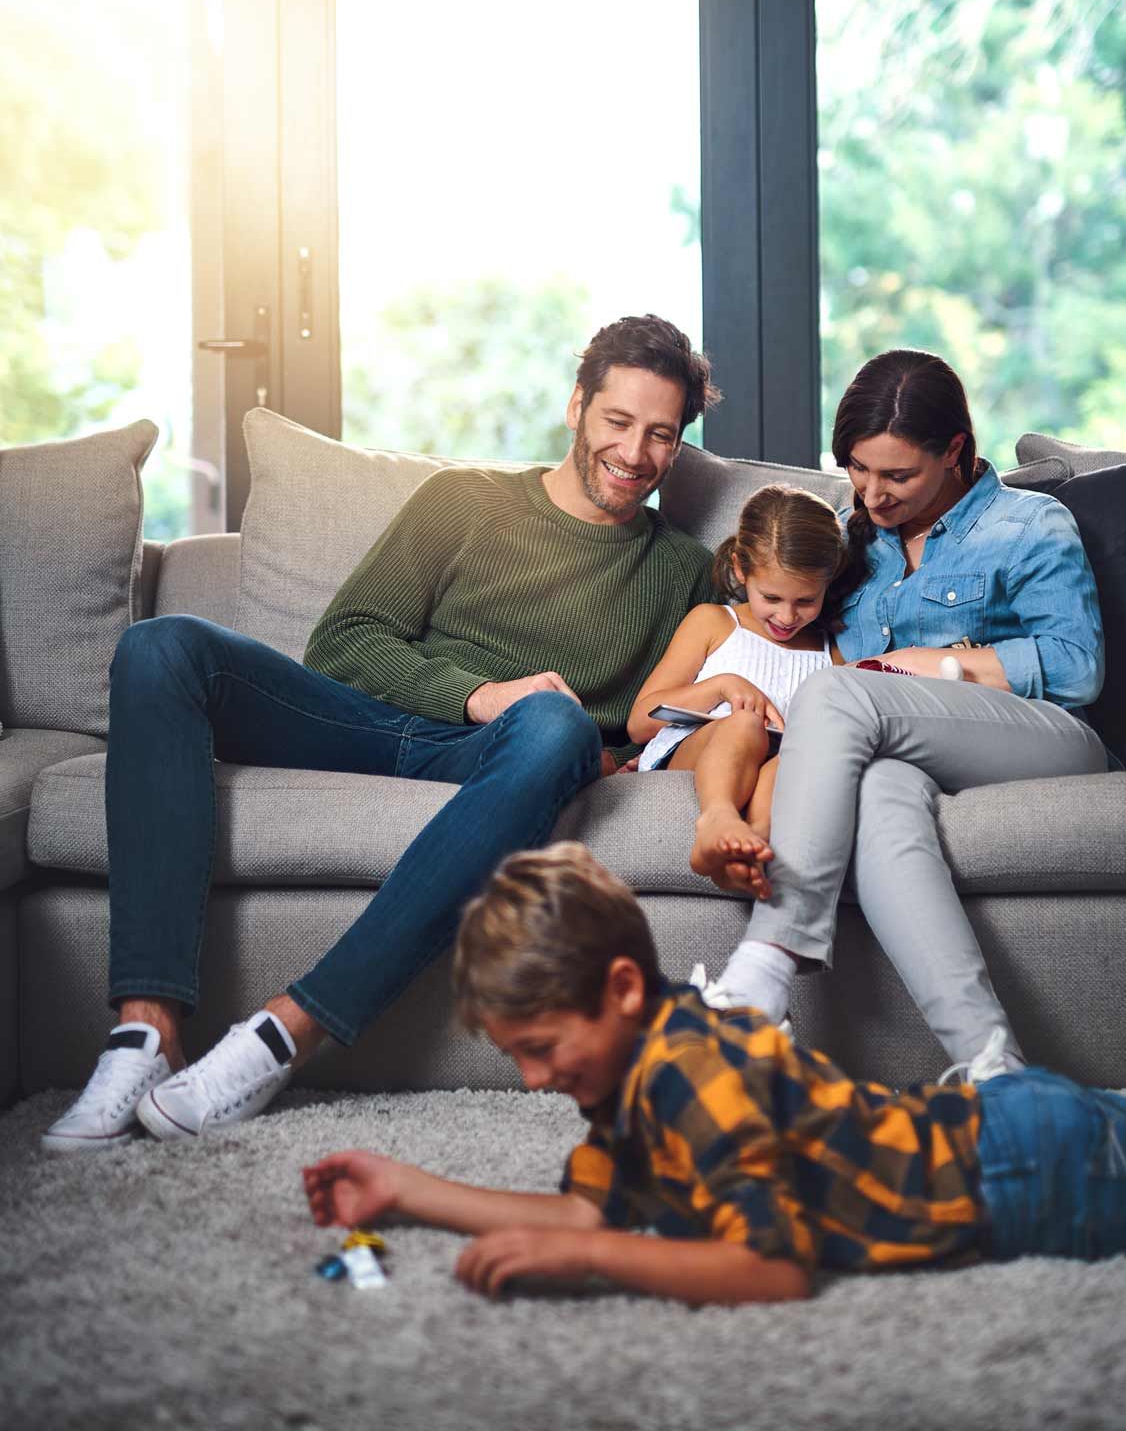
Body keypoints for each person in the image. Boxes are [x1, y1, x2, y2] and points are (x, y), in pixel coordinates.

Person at [42, 315, 717, 1154]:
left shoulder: (682, 569)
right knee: (160, 645)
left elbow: (678, 703)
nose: (635, 452)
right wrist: (477, 694)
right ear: (577, 407)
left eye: (661, 436)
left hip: (509, 758)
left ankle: (285, 1033)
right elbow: (347, 641)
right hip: (369, 726)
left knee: (557, 722)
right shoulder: (463, 501)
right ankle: (146, 1033)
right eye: (618, 421)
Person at [301, 844, 1126, 1305]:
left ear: (622, 988)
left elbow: (770, 1269)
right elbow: (587, 1213)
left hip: (1037, 1182)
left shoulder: (691, 1076)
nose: (529, 1081)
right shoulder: (631, 1074)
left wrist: (596, 1266)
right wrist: (403, 1191)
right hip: (1015, 1127)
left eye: (541, 1048)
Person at [704, 349, 1108, 1081]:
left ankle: (767, 963)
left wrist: (931, 665)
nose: (872, 493)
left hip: (1039, 737)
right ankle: (996, 1072)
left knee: (837, 693)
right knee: (883, 790)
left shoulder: (1027, 523)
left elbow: (1077, 669)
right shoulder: (847, 541)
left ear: (955, 450)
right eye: (858, 469)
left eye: (897, 476)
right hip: (900, 750)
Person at [626, 484, 848, 900]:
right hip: (700, 750)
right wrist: (723, 686)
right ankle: (717, 819)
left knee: (798, 754)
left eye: (806, 600)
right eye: (772, 597)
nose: (786, 616)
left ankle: (753, 846)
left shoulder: (827, 650)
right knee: (744, 723)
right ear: (741, 570)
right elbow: (641, 722)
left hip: (781, 761)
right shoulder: (713, 623)